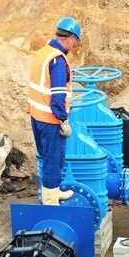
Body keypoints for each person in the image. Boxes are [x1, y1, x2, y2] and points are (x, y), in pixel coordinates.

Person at [27, 17, 81, 205]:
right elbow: (58, 97)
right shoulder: (57, 60)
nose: (74, 45)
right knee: (53, 160)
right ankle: (50, 202)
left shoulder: (45, 52)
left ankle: (54, 191)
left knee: (50, 158)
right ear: (71, 38)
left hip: (37, 116)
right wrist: (63, 121)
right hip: (50, 120)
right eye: (75, 41)